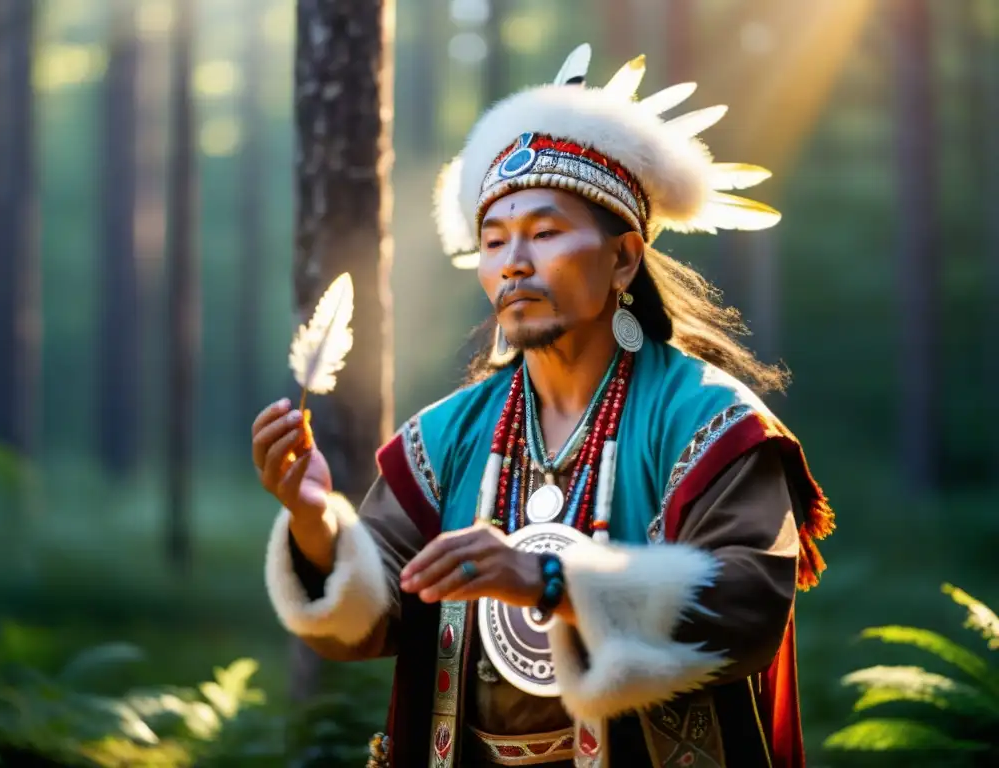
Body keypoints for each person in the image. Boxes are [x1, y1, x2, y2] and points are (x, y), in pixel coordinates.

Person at [253, 44, 834, 768]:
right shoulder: (447, 436)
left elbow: (749, 607)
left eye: (545, 233)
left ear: (623, 258)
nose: (513, 262)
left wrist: (552, 583)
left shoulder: (708, 419)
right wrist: (313, 521)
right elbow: (367, 623)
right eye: (493, 241)